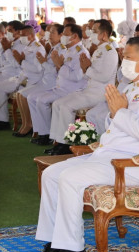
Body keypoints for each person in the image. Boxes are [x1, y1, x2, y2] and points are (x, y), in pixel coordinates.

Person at [23, 36, 139, 252]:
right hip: (108, 156)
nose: (123, 62)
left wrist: (120, 112)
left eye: (128, 57)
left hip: (132, 164)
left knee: (69, 178)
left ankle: (73, 251)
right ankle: (55, 244)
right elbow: (113, 123)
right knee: (51, 174)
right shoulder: (131, 85)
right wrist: (117, 114)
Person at [46, 20, 118, 156]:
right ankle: (57, 141)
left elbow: (104, 76)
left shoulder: (110, 52)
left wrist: (87, 69)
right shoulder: (99, 50)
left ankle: (66, 144)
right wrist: (86, 69)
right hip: (89, 90)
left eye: (94, 31)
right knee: (57, 103)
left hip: (100, 92)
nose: (90, 33)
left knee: (67, 106)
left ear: (103, 35)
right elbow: (87, 75)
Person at [28, 24, 89, 145]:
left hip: (72, 90)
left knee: (42, 100)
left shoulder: (81, 53)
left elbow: (77, 77)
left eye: (65, 35)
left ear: (75, 36)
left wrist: (60, 66)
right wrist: (59, 66)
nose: (63, 37)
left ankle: (51, 137)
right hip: (61, 88)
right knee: (33, 98)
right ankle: (45, 134)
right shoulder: (68, 50)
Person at [0, 25, 45, 131]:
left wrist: (12, 54)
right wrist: (7, 50)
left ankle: (4, 121)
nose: (21, 37)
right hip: (20, 76)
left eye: (23, 35)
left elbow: (19, 65)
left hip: (27, 78)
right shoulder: (25, 46)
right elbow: (6, 62)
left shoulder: (32, 47)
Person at [13, 24, 65, 138]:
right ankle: (37, 129)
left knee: (31, 97)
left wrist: (42, 62)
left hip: (51, 82)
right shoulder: (53, 47)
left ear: (61, 35)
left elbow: (50, 70)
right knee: (26, 95)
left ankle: (41, 131)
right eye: (49, 32)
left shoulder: (60, 49)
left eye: (52, 33)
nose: (49, 35)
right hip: (45, 80)